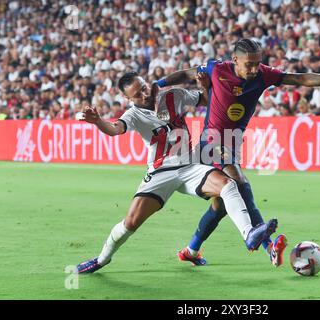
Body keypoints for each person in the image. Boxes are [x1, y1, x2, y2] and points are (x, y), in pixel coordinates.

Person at [154, 38, 320, 267]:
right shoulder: (217, 69)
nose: (254, 70)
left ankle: (191, 250)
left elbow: (301, 78)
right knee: (240, 182)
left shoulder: (264, 74)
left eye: (257, 63)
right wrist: (159, 83)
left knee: (220, 206)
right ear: (235, 59)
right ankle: (269, 246)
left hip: (232, 142)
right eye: (249, 64)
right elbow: (186, 74)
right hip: (210, 140)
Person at [75, 71, 278, 273]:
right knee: (130, 223)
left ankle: (249, 234)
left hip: (190, 166)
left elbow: (208, 100)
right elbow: (114, 129)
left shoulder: (173, 96)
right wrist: (98, 122)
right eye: (137, 94)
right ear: (127, 99)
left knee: (228, 185)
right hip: (161, 172)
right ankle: (102, 259)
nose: (144, 95)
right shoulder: (133, 115)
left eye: (144, 88)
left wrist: (204, 85)